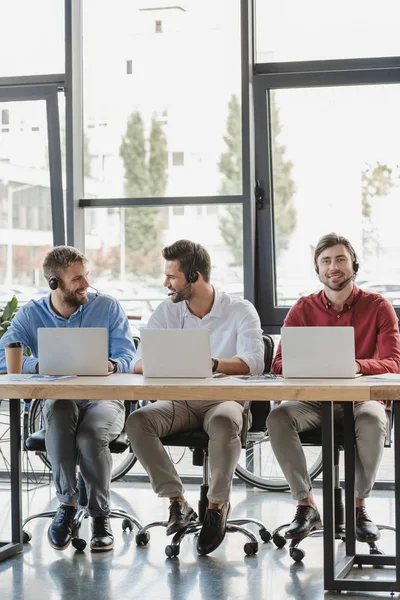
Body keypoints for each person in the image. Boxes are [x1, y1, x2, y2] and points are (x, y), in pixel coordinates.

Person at [126, 240, 264, 555]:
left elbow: (254, 363)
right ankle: (177, 501)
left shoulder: (239, 311)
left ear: (194, 277)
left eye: (171, 277)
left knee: (227, 420)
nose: (165, 284)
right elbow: (137, 362)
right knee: (138, 422)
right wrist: (163, 363)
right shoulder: (166, 311)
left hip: (224, 398)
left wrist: (211, 363)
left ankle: (216, 507)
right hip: (180, 402)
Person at [0, 246, 136, 552]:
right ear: (54, 283)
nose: (85, 283)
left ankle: (101, 515)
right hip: (61, 398)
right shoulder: (32, 313)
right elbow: (3, 354)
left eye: (86, 275)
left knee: (91, 435)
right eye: (77, 278)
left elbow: (129, 354)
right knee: (60, 416)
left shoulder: (108, 307)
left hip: (104, 399)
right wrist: (42, 365)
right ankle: (68, 504)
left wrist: (113, 365)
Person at [268, 232, 400, 542]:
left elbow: (394, 362)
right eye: (326, 261)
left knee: (372, 419)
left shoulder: (378, 306)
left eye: (340, 259)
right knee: (277, 418)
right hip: (313, 403)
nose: (333, 267)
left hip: (360, 400)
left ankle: (358, 507)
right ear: (317, 269)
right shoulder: (302, 308)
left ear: (354, 264)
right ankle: (306, 505)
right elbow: (278, 365)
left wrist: (356, 366)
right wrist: (312, 369)